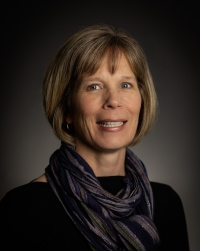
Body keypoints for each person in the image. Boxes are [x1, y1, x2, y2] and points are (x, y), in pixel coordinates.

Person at [0, 25, 189, 250]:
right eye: (94, 86)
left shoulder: (167, 203)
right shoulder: (24, 207)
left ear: (142, 99)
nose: (113, 100)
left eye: (126, 85)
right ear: (67, 108)